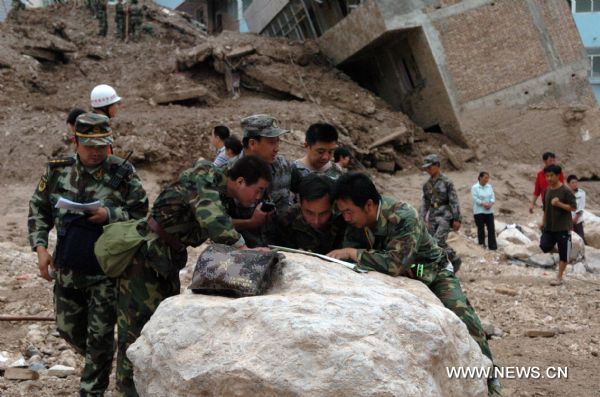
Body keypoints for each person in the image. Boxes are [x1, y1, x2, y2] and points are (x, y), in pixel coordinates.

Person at [327, 172, 501, 396]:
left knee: (462, 314)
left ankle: (491, 378)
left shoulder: (402, 215)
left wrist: (352, 252)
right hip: (397, 277)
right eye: (343, 213)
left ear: (368, 205)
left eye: (349, 212)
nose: (346, 218)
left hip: (428, 270)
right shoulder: (355, 223)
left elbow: (395, 263)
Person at [116, 155, 271, 396]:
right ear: (240, 181)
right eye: (258, 190)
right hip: (145, 259)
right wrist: (243, 249)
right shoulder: (204, 180)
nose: (258, 197)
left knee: (158, 327)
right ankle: (127, 391)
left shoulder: (219, 190)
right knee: (135, 331)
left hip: (166, 259)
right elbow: (212, 218)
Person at [28, 113, 148, 396]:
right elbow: (38, 210)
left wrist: (110, 214)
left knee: (99, 338)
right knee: (67, 329)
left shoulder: (122, 172)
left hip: (106, 272)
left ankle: (92, 386)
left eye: (102, 146)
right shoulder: (57, 171)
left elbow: (143, 215)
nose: (96, 152)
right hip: (68, 267)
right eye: (89, 145)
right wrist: (41, 249)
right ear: (75, 142)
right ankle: (101, 358)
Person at [227, 114, 294, 247]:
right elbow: (216, 222)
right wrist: (250, 223)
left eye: (277, 141)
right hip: (243, 252)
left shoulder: (284, 167)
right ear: (252, 143)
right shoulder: (228, 173)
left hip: (280, 248)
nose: (277, 148)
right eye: (271, 142)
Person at [274, 174, 346, 254]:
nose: (316, 221)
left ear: (333, 205)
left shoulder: (345, 218)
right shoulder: (286, 220)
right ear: (300, 203)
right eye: (309, 213)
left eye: (323, 213)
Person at [420, 154, 462, 271]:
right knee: (434, 243)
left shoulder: (447, 182)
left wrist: (457, 218)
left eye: (430, 167)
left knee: (437, 242)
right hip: (433, 216)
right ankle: (453, 259)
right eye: (426, 168)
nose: (428, 170)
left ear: (437, 165)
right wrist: (422, 218)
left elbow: (454, 200)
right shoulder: (426, 185)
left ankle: (445, 264)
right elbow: (425, 202)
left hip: (445, 217)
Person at [540, 165, 577, 286]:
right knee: (544, 246)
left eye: (551, 176)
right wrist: (543, 222)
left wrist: (559, 204)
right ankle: (562, 251)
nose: (549, 178)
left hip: (563, 228)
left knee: (563, 256)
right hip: (549, 227)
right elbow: (545, 209)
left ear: (558, 176)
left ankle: (559, 277)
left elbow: (573, 207)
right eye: (547, 176)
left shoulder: (566, 191)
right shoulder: (547, 190)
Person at [471, 172, 497, 250]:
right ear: (480, 177)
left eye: (488, 178)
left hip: (489, 211)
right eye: (485, 177)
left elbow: (492, 196)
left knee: (491, 228)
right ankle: (482, 245)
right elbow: (475, 198)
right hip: (479, 211)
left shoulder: (489, 186)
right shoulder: (475, 187)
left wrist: (491, 203)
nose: (487, 179)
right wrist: (483, 203)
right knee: (481, 228)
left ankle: (492, 247)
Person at [567, 174, 586, 243]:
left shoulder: (581, 193)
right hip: (568, 221)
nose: (575, 184)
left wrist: (576, 218)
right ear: (568, 184)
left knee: (580, 239)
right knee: (569, 240)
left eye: (576, 182)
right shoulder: (566, 193)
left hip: (577, 221)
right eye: (573, 182)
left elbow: (581, 207)